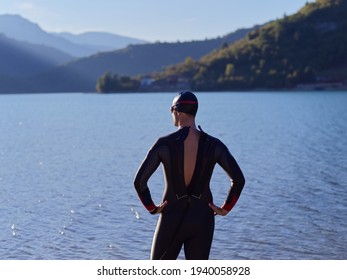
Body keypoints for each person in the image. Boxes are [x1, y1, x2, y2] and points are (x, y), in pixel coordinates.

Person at [134, 91, 245, 260]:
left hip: (172, 218)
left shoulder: (164, 144)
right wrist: (224, 209)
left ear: (176, 112)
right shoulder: (214, 145)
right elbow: (238, 180)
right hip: (203, 218)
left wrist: (152, 208)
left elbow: (139, 182)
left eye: (171, 110)